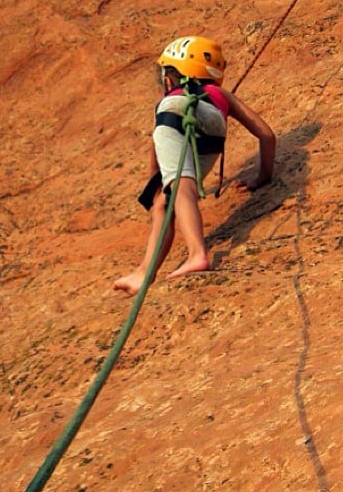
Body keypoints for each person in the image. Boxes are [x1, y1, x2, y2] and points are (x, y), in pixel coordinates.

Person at [113, 35, 276, 296]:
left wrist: (156, 180)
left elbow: (158, 143)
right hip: (214, 127)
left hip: (174, 114)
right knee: (166, 203)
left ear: (169, 78)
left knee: (177, 189)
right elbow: (266, 135)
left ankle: (196, 254)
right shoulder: (221, 95)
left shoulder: (172, 98)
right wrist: (263, 176)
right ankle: (145, 273)